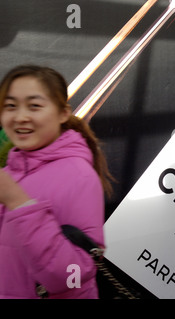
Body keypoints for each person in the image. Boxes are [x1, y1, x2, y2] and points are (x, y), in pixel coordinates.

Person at [0, 65, 114, 298]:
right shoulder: (10, 170)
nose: (20, 117)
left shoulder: (79, 176)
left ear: (63, 113)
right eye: (10, 106)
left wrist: (18, 202)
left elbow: (72, 275)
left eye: (35, 106)